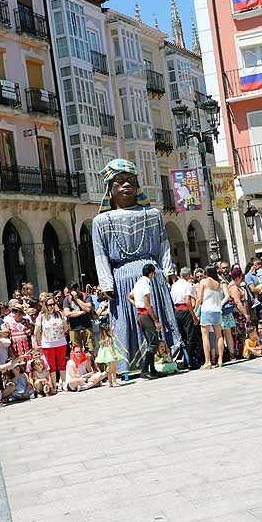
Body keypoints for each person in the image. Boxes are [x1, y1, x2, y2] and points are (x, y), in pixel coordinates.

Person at [92, 159, 181, 380]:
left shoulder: (152, 213)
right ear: (109, 189)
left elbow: (163, 244)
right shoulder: (101, 221)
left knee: (157, 318)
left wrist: (168, 270)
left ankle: (165, 361)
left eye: (130, 181)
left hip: (153, 276)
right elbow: (100, 254)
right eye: (119, 182)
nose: (125, 185)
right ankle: (130, 367)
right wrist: (106, 284)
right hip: (121, 278)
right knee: (127, 321)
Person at [127, 263, 163, 379]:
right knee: (153, 342)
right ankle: (144, 370)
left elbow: (129, 297)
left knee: (151, 343)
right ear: (151, 273)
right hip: (145, 315)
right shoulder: (146, 284)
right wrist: (156, 320)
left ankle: (152, 370)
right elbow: (148, 305)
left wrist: (137, 305)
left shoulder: (138, 283)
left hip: (140, 314)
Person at [35, 294, 70, 392]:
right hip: (47, 344)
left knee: (61, 363)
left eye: (53, 304)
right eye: (49, 304)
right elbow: (36, 332)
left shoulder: (59, 314)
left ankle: (64, 383)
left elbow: (66, 326)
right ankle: (54, 385)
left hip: (60, 342)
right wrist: (38, 342)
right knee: (51, 365)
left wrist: (62, 333)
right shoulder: (41, 317)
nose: (51, 306)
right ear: (45, 306)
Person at [170, 267, 202, 370]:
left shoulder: (174, 285)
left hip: (177, 311)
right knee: (190, 336)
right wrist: (193, 316)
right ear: (188, 276)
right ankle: (190, 361)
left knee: (184, 337)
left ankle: (187, 360)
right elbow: (188, 301)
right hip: (185, 310)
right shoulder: (187, 285)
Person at [196, 264, 225, 370]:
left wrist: (195, 310)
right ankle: (220, 359)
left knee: (205, 336)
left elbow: (199, 299)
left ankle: (208, 361)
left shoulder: (203, 282)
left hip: (206, 310)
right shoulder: (218, 283)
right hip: (217, 310)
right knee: (219, 335)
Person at [63, 285, 95, 352]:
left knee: (90, 350)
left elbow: (88, 309)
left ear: (77, 289)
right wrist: (83, 311)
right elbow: (67, 314)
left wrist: (77, 299)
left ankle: (90, 362)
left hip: (87, 327)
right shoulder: (67, 299)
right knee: (76, 351)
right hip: (74, 329)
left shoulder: (86, 296)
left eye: (71, 292)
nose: (70, 294)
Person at [95, 322, 119, 387]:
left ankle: (110, 383)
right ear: (107, 331)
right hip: (110, 356)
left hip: (106, 356)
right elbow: (110, 348)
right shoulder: (109, 338)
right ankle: (114, 382)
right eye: (110, 329)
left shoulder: (103, 339)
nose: (112, 329)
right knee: (113, 370)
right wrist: (114, 355)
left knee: (109, 370)